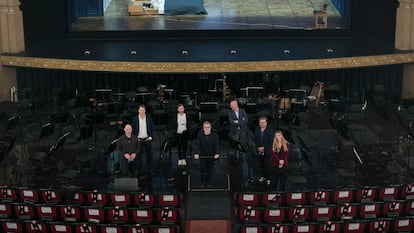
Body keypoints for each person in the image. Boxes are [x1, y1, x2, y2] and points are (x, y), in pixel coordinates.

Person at [193, 121, 220, 187]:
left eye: (208, 127)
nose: (206, 129)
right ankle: (203, 180)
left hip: (211, 155)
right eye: (205, 127)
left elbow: (217, 145)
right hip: (203, 155)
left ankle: (208, 181)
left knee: (210, 168)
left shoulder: (215, 135)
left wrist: (217, 153)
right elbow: (197, 144)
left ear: (210, 127)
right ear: (203, 128)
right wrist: (196, 153)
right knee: (203, 168)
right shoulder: (200, 134)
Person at [132, 105, 155, 175]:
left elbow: (152, 128)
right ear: (138, 111)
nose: (142, 111)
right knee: (138, 156)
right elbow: (132, 130)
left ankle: (150, 170)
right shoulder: (135, 119)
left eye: (143, 110)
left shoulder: (149, 118)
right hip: (138, 140)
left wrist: (151, 137)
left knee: (149, 156)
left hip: (147, 139)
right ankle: (137, 170)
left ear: (145, 111)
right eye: (140, 110)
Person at [253, 117, 274, 183]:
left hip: (267, 151)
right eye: (260, 122)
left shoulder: (270, 131)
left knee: (268, 166)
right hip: (259, 150)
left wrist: (264, 148)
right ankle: (262, 177)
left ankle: (268, 179)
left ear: (266, 123)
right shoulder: (257, 130)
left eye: (263, 122)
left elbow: (271, 142)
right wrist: (258, 148)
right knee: (260, 165)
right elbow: (255, 140)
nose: (262, 124)